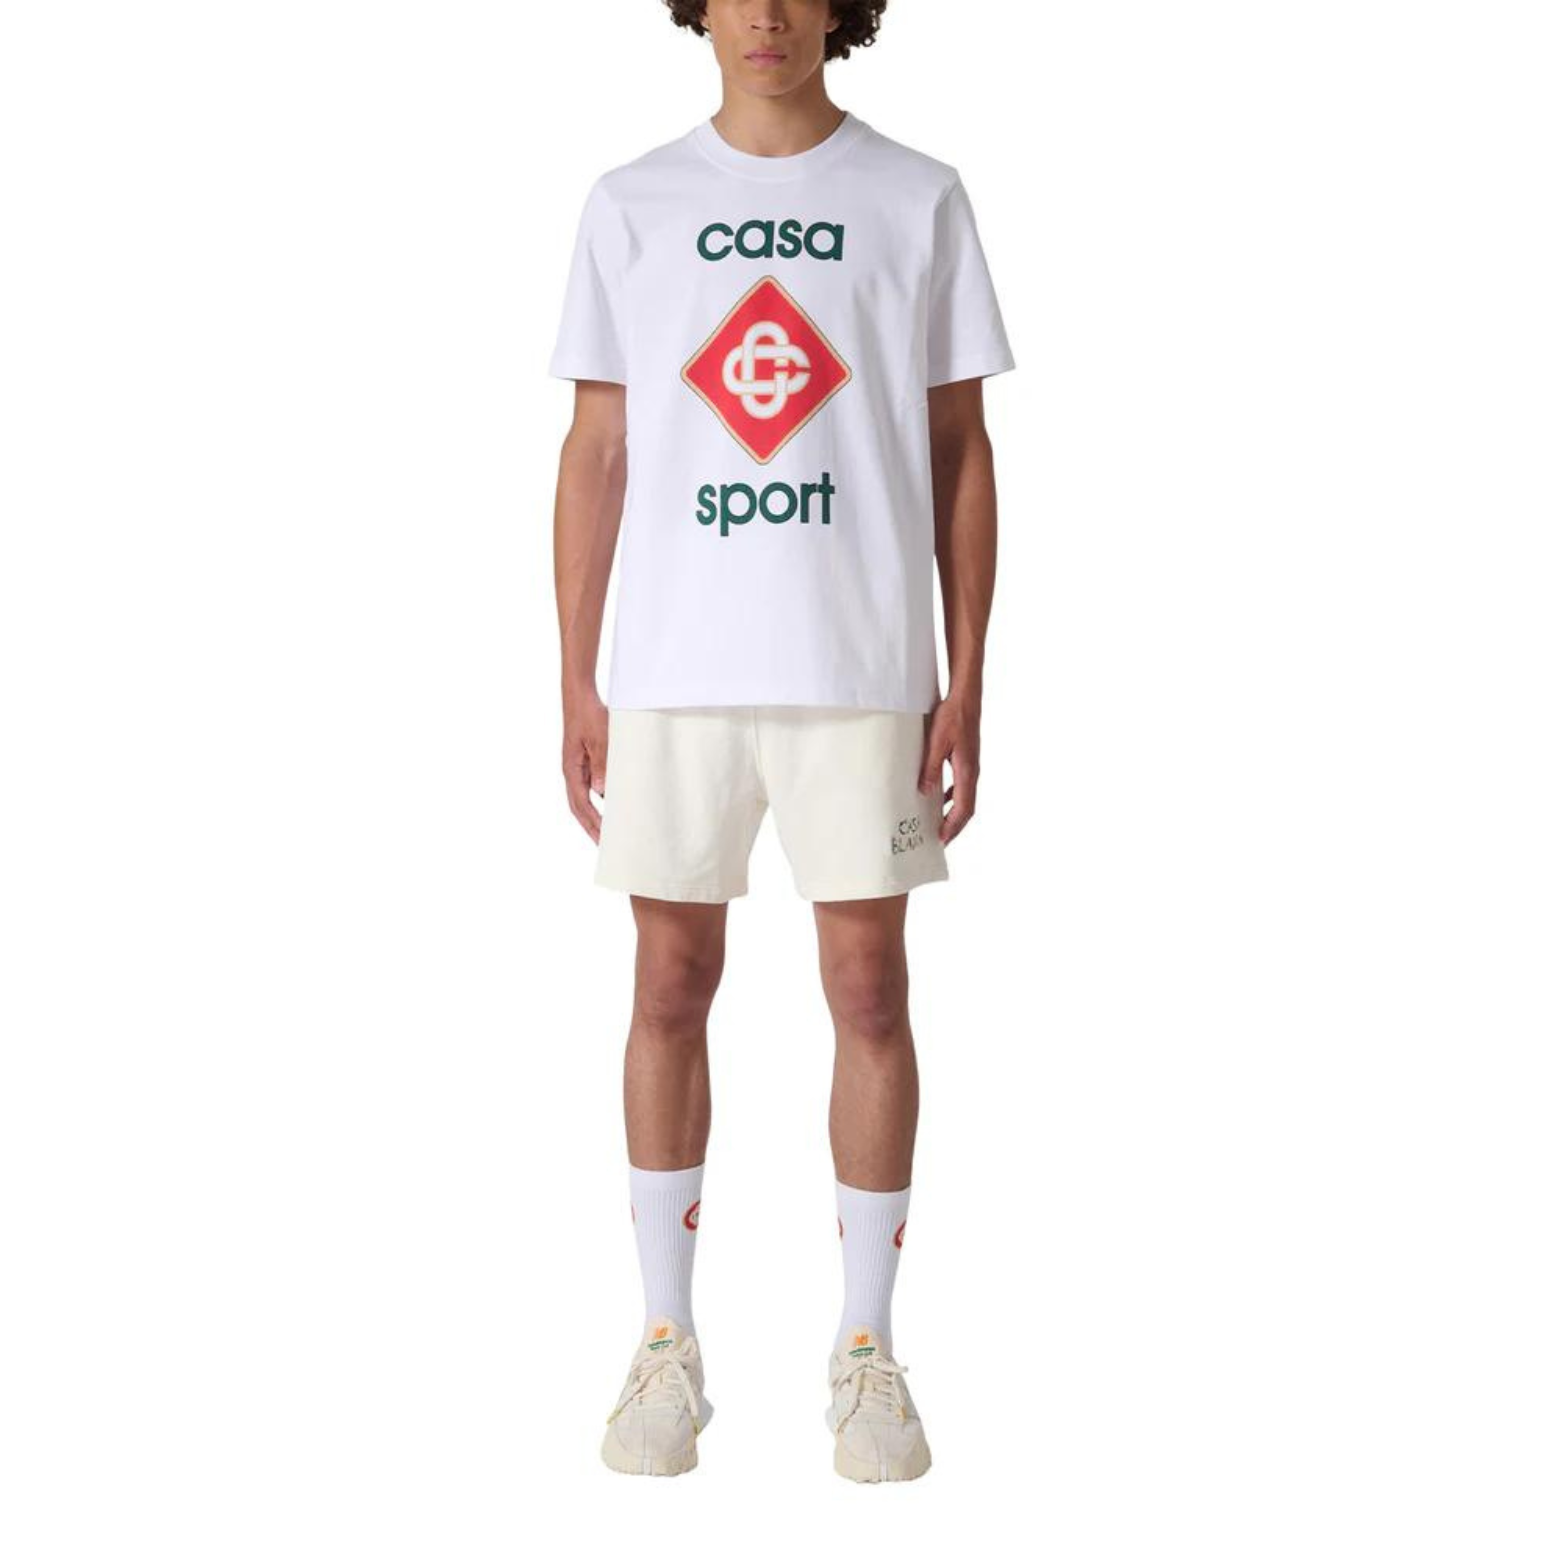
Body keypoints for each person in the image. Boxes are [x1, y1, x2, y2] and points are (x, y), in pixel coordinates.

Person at [548, 0, 1012, 1482]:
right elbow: (598, 449)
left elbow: (958, 448)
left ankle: (867, 1346)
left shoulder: (916, 198)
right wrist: (577, 675)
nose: (765, 15)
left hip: (861, 662)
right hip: (675, 667)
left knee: (869, 986)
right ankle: (664, 1341)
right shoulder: (632, 204)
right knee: (666, 980)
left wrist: (966, 671)